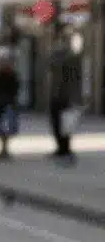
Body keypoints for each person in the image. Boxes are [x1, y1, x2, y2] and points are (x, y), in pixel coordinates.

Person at [48, 28, 85, 165]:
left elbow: (77, 79)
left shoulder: (72, 57)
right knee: (56, 124)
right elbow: (51, 65)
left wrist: (77, 97)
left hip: (66, 97)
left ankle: (65, 149)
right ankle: (61, 148)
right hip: (57, 95)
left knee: (66, 125)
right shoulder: (58, 55)